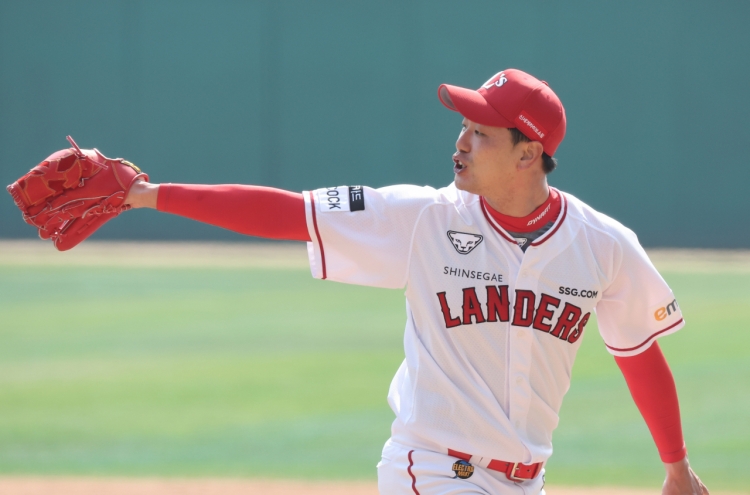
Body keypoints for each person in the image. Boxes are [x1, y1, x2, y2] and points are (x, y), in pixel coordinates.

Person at [124, 69, 709, 495]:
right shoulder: (424, 218)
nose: (460, 142)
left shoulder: (602, 245)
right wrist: (145, 196)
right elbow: (287, 212)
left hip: (528, 483)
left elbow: (638, 351)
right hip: (431, 471)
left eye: (480, 132)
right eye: (463, 125)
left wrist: (676, 467)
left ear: (528, 153)